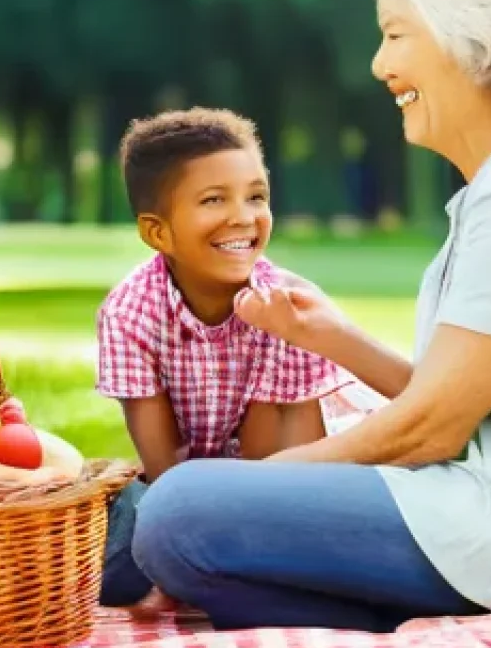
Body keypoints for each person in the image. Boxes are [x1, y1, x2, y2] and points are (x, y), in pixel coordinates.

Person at [131, 0, 491, 632]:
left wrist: (269, 479)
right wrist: (337, 338)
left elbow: (432, 431)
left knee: (178, 514)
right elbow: (461, 408)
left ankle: (356, 610)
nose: (380, 65)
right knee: (173, 523)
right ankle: (355, 608)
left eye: (396, 35)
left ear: (473, 37)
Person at [96, 108, 351, 612]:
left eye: (256, 196)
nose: (243, 216)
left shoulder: (289, 307)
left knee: (276, 541)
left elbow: (275, 472)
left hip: (293, 477)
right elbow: (160, 468)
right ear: (157, 232)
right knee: (121, 556)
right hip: (187, 487)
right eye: (214, 199)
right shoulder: (128, 313)